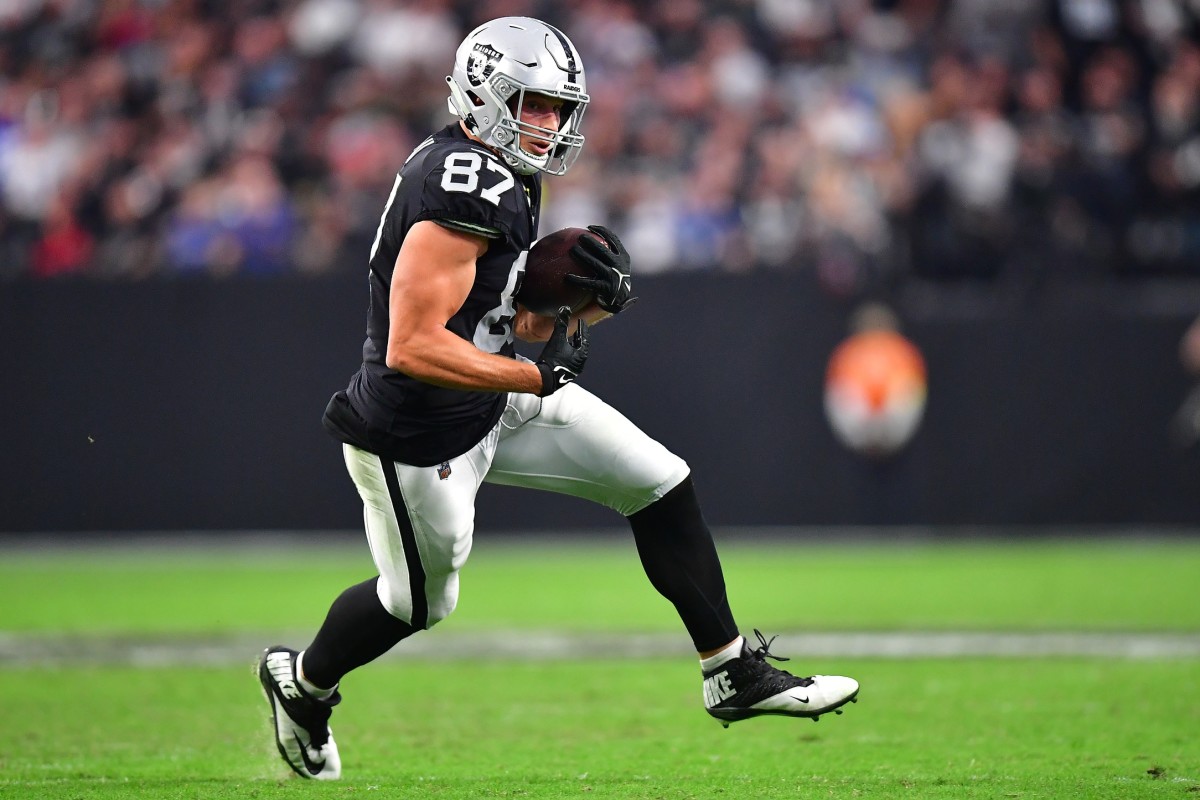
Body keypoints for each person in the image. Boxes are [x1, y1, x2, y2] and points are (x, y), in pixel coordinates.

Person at [257, 16, 859, 781]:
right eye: (534, 105)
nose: (549, 124)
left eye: (558, 109)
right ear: (486, 94)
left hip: (483, 399)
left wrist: (573, 308)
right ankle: (304, 684)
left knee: (659, 480)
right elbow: (414, 344)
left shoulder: (503, 170)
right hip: (417, 435)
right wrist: (536, 376)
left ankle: (731, 671)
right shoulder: (465, 179)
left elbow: (497, 313)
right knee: (417, 604)